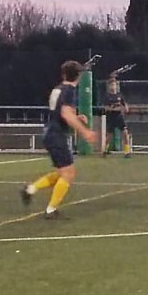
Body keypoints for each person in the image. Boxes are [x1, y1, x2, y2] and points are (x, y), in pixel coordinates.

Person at [21, 61, 97, 219]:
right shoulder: (70, 90)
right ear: (78, 76)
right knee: (68, 174)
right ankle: (51, 210)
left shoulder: (58, 88)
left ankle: (30, 189)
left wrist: (77, 117)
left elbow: (60, 112)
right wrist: (85, 132)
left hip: (50, 132)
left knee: (62, 172)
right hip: (56, 135)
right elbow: (65, 114)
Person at [102, 77, 131, 158]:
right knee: (109, 135)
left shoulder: (120, 95)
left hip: (119, 117)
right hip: (111, 117)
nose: (113, 86)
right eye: (111, 85)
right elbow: (106, 108)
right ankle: (104, 150)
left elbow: (124, 104)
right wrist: (114, 108)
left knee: (125, 134)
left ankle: (127, 152)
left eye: (114, 84)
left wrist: (125, 108)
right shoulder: (107, 96)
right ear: (109, 86)